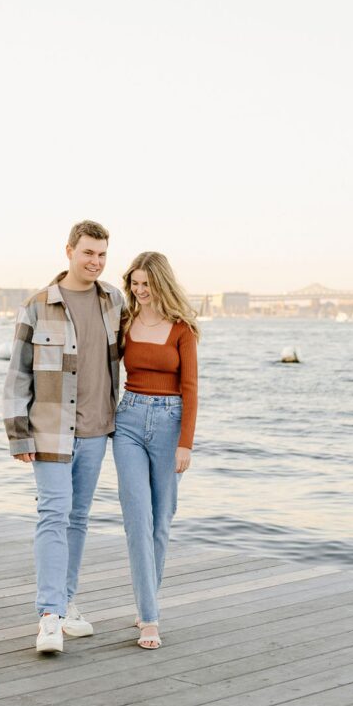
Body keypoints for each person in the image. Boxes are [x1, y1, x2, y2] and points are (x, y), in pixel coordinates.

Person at [3, 220, 123, 654]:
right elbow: (17, 374)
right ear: (69, 251)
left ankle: (68, 601)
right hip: (50, 431)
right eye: (88, 252)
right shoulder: (38, 306)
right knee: (53, 515)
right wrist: (19, 434)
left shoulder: (114, 301)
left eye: (103, 254)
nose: (96, 261)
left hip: (96, 430)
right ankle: (49, 615)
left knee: (77, 519)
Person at [113, 251, 199, 649]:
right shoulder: (125, 322)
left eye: (146, 284)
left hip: (169, 424)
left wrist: (185, 443)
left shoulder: (182, 329)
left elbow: (191, 389)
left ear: (160, 283)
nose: (139, 291)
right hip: (128, 420)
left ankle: (148, 598)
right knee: (137, 521)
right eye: (134, 283)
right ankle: (150, 617)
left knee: (161, 521)